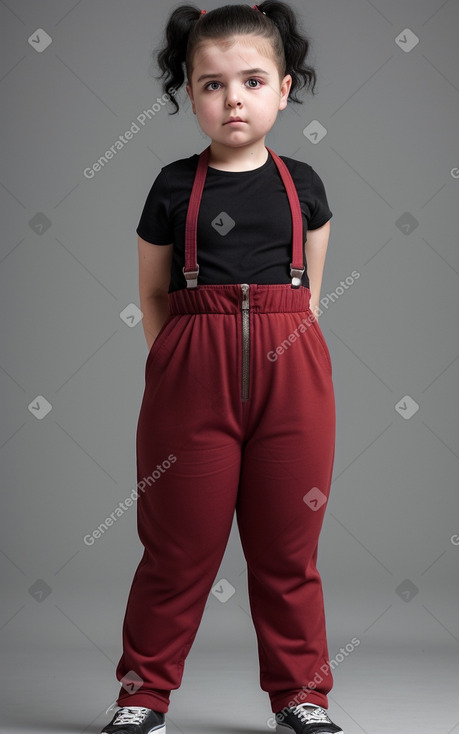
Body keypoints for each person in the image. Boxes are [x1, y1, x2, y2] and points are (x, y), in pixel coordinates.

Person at [101, 3, 343, 733]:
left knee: (288, 553)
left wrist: (279, 349)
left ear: (282, 87)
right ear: (189, 91)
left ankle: (301, 696)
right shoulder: (172, 186)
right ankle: (141, 698)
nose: (232, 98)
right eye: (210, 84)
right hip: (190, 376)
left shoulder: (304, 184)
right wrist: (179, 361)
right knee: (174, 551)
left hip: (291, 373)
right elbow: (151, 292)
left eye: (251, 80)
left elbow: (310, 293)